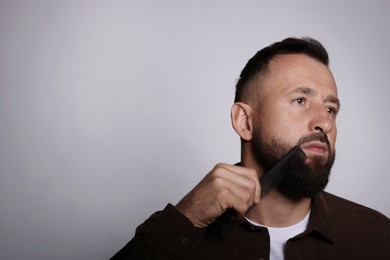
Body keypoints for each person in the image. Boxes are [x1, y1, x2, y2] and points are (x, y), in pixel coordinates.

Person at [110, 37, 390, 260]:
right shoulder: (175, 232)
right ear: (245, 121)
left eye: (331, 109)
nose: (324, 123)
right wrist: (190, 217)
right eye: (300, 101)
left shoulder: (377, 236)